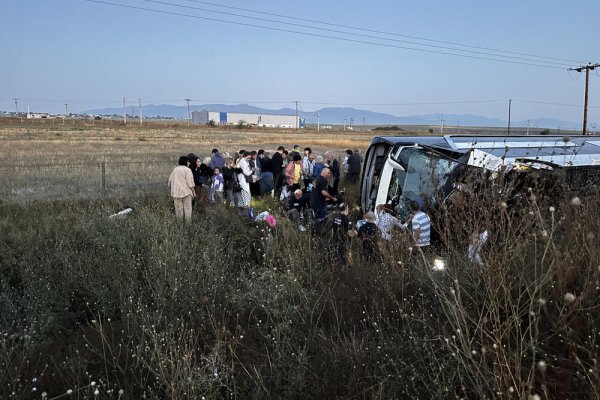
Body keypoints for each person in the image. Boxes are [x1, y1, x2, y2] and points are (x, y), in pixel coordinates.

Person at [168, 155, 196, 223]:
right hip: (186, 193)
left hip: (176, 193)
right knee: (188, 210)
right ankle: (188, 226)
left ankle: (179, 226)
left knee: (178, 211)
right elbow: (190, 183)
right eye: (188, 162)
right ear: (186, 162)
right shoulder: (187, 170)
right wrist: (194, 192)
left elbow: (169, 181)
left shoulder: (175, 169)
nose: (189, 163)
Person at [310, 167, 337, 233]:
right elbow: (323, 192)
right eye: (329, 173)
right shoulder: (322, 180)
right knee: (323, 218)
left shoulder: (316, 178)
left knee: (316, 218)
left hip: (313, 201)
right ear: (324, 172)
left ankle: (314, 231)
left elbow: (317, 190)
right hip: (319, 203)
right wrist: (332, 198)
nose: (329, 175)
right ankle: (320, 232)